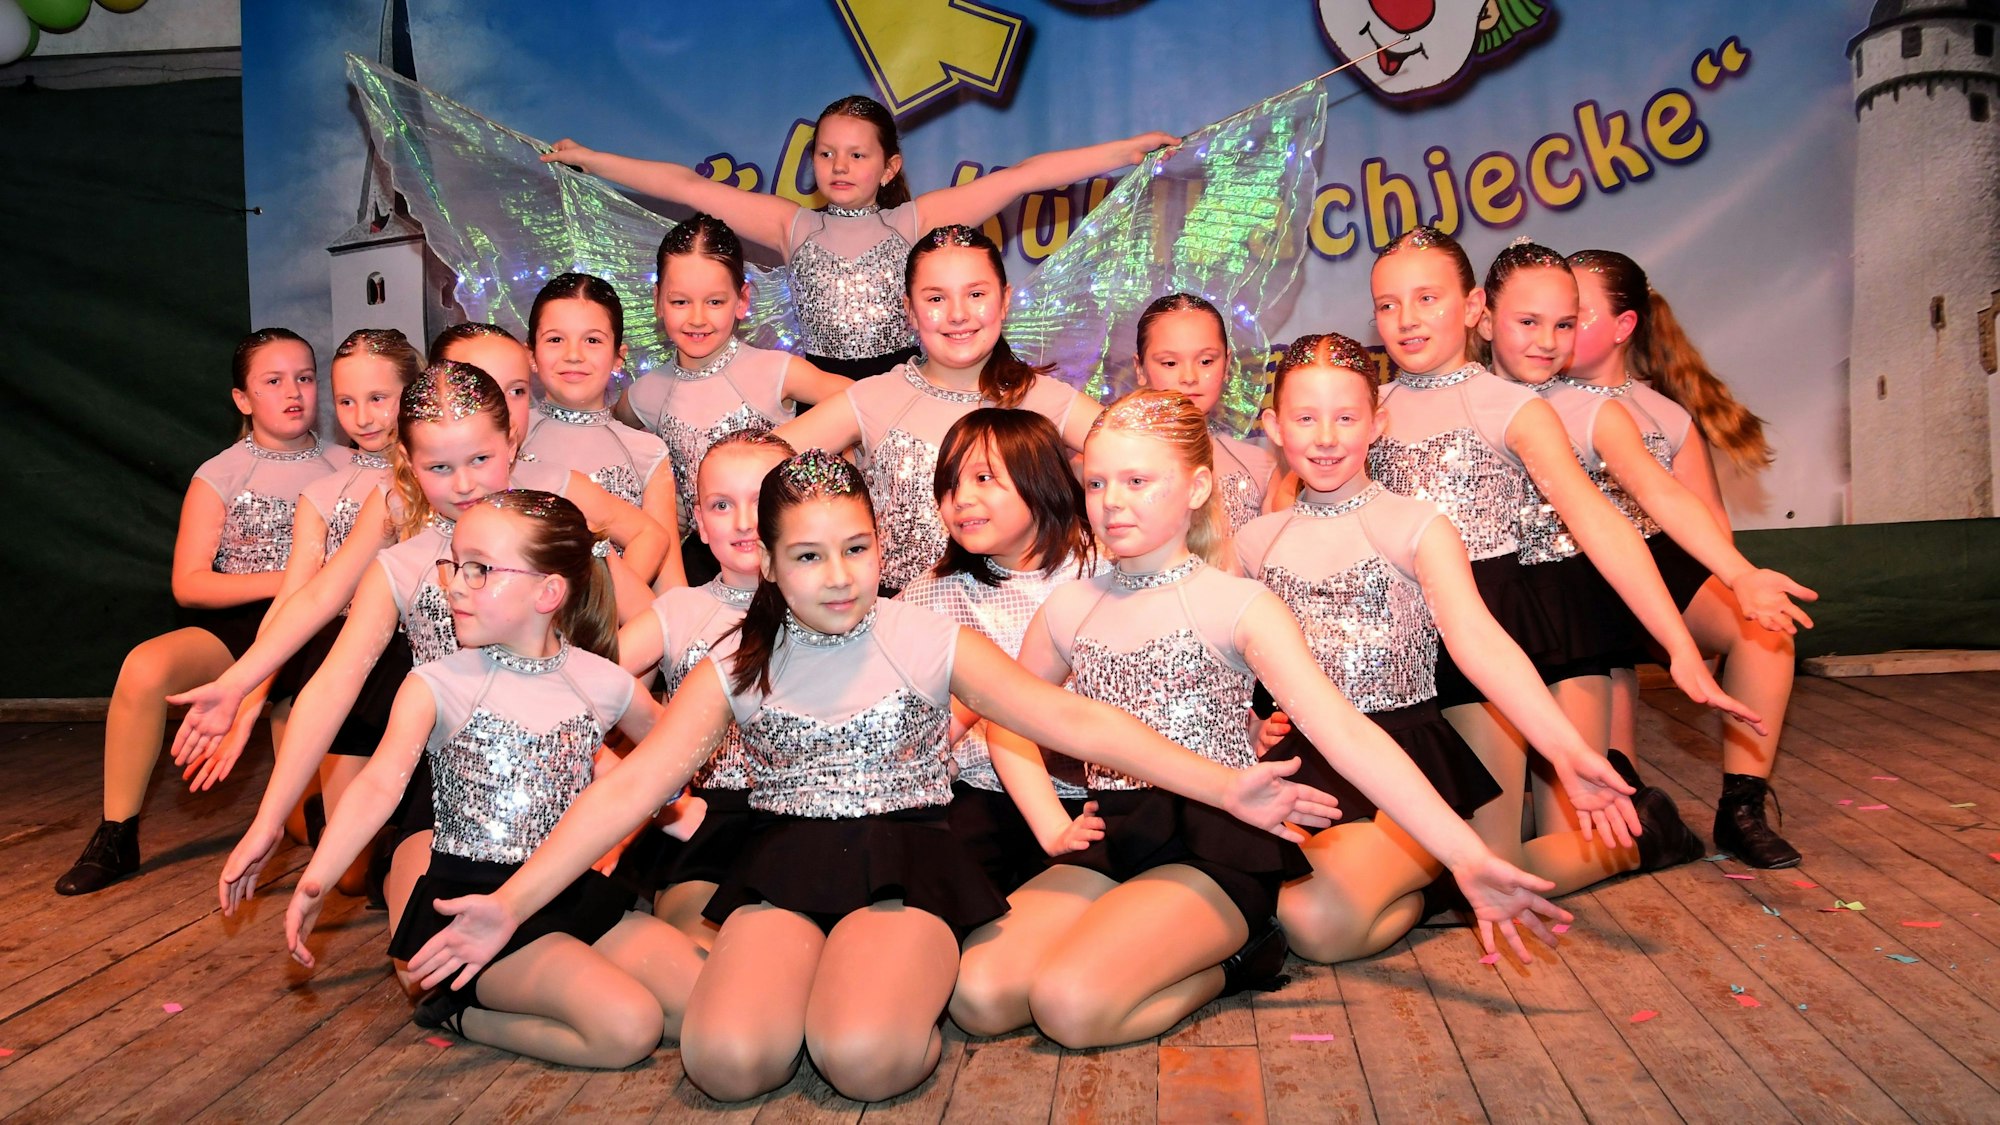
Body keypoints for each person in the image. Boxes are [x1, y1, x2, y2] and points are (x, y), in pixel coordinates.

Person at [402, 448, 1340, 1103]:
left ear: (882, 546)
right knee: (725, 1062)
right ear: (769, 564)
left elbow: (1069, 717)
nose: (840, 575)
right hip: (781, 866)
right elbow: (627, 787)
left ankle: (880, 990)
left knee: (864, 1059)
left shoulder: (930, 637)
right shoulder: (733, 661)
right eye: (808, 556)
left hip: (904, 862)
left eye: (857, 547)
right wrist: (512, 902)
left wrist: (1224, 785)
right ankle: (821, 987)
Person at [948, 390, 1579, 1050]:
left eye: (1138, 481)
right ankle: (1134, 938)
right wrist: (1049, 823)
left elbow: (1345, 730)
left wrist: (1465, 854)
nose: (1112, 501)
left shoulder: (1237, 603)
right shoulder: (1068, 607)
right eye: (1098, 482)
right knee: (980, 997)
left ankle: (1236, 958)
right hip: (1114, 832)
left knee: (1070, 1007)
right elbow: (1012, 715)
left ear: (1195, 487)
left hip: (1213, 841)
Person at [1364, 225, 1765, 894]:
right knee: (1483, 845)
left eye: (1427, 298)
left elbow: (1605, 519)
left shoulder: (1522, 408)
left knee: (1522, 851)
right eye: (1387, 304)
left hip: (1523, 629)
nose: (1406, 319)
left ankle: (1644, 832)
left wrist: (1683, 638)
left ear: (1470, 309)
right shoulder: (1371, 411)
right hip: (1428, 644)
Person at [1243, 334, 1638, 964]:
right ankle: (1436, 885)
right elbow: (1223, 666)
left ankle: (1648, 834)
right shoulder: (1254, 542)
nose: (1325, 437)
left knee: (1312, 921)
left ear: (1378, 423)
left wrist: (1564, 749)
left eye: (1346, 418)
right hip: (1308, 761)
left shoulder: (1416, 525)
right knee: (1247, 882)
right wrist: (1253, 722)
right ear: (1273, 426)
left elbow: (1478, 639)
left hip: (1413, 755)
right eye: (1306, 418)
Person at [286, 490, 703, 1066]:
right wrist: (318, 879)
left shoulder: (601, 681)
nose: (454, 584)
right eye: (455, 564)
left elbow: (674, 746)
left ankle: (558, 978)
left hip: (567, 885)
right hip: (471, 902)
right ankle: (455, 1008)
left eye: (480, 570)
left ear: (548, 591)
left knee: (698, 1011)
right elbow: (379, 785)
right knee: (627, 1029)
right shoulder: (438, 683)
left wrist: (643, 806)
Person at [544, 94, 1176, 377]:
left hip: (906, 383)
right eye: (826, 154)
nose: (840, 168)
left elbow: (1026, 177)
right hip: (816, 394)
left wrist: (1131, 149)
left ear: (889, 166)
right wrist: (593, 159)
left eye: (856, 155)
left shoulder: (913, 221)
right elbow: (686, 187)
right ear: (812, 161)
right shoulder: (792, 225)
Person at [58, 329, 345, 895]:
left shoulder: (347, 466)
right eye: (273, 380)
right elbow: (189, 585)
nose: (294, 391)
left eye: (305, 378)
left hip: (318, 636)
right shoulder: (221, 473)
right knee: (145, 665)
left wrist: (310, 596)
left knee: (311, 832)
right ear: (242, 399)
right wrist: (291, 579)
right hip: (237, 631)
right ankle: (116, 833)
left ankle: (335, 824)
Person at [1565, 247, 1814, 867]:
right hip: (1570, 581)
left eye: (1577, 312)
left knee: (1766, 629)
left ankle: (1742, 807)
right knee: (1619, 794)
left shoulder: (1665, 414)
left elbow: (1705, 522)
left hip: (1658, 571)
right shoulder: (1529, 401)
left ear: (1624, 327)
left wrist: (1741, 585)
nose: (1561, 325)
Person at [776, 224, 1104, 594]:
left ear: (1005, 299)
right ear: (910, 310)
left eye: (976, 293)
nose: (958, 315)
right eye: (936, 299)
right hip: (901, 631)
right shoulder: (873, 399)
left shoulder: (1045, 399)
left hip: (1022, 626)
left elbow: (1147, 451)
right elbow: (752, 466)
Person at [898, 408, 1102, 894]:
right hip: (980, 789)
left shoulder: (1101, 573)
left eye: (984, 477)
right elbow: (909, 732)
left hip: (1095, 791)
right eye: (949, 485)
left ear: (1041, 481)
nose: (960, 499)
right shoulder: (931, 596)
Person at [614, 430, 796, 946]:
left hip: (804, 814)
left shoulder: (829, 607)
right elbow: (585, 685)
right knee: (706, 954)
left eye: (762, 502)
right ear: (697, 519)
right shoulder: (679, 610)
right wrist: (652, 720)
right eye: (721, 504)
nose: (743, 522)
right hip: (705, 821)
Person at [617, 214, 850, 583]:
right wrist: (661, 498)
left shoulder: (777, 371)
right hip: (704, 567)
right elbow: (612, 440)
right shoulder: (646, 393)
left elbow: (866, 405)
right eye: (680, 302)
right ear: (657, 301)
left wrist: (834, 481)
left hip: (783, 557)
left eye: (714, 301)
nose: (696, 318)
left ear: (742, 300)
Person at [518, 272, 687, 587]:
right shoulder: (511, 438)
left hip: (616, 629)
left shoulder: (646, 453)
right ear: (532, 355)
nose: (573, 354)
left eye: (592, 340)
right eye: (556, 339)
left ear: (618, 357)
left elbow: (670, 586)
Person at [1132, 293, 1277, 532]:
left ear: (1227, 365)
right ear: (1139, 368)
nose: (1189, 378)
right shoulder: (1111, 463)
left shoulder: (1260, 467)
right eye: (1170, 363)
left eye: (1206, 361)